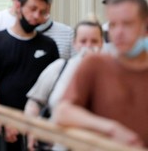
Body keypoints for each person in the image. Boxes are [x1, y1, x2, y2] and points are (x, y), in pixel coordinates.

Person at [53, 0, 148, 148]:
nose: (118, 33)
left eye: (127, 24)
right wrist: (111, 128)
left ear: (145, 26)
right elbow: (62, 112)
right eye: (113, 25)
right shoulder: (95, 65)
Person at [0, 0, 60, 151]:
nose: (36, 16)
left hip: (38, 128)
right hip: (1, 127)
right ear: (18, 6)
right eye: (32, 9)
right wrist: (2, 120)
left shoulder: (49, 46)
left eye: (43, 12)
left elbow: (55, 88)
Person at [24, 18, 103, 150]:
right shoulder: (59, 68)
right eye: (83, 41)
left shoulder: (113, 74)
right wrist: (32, 129)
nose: (88, 46)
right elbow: (34, 103)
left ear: (102, 43)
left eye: (94, 41)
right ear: (74, 44)